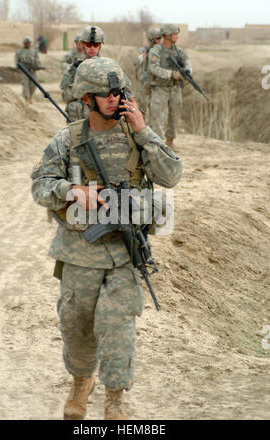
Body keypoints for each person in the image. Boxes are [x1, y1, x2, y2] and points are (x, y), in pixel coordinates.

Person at [31, 56, 182, 420]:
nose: (115, 99)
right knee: (77, 324)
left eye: (119, 92)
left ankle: (114, 400)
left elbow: (172, 175)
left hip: (123, 255)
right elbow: (40, 185)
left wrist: (145, 132)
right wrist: (72, 190)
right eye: (106, 94)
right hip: (79, 253)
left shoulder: (138, 134)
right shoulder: (68, 139)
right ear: (87, 98)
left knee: (117, 327)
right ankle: (81, 381)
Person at [148, 24, 192, 147]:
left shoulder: (178, 51)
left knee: (174, 117)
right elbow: (153, 68)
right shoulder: (157, 50)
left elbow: (187, 62)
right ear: (167, 35)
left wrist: (186, 73)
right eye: (175, 34)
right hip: (160, 89)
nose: (177, 37)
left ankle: (170, 142)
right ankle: (158, 146)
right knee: (157, 119)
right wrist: (171, 74)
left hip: (175, 89)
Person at [59, 25, 104, 122]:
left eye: (96, 45)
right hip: (78, 117)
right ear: (83, 44)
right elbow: (65, 95)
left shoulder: (109, 67)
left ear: (100, 45)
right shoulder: (74, 68)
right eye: (88, 45)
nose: (92, 48)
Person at [134, 28, 162, 115]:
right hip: (144, 84)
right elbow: (136, 62)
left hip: (157, 86)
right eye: (157, 39)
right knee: (142, 109)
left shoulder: (161, 51)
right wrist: (145, 54)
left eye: (160, 38)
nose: (159, 41)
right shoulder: (143, 50)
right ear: (151, 39)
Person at [15, 36, 43, 105]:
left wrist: (38, 66)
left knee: (34, 84)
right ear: (24, 43)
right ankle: (27, 99)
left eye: (29, 43)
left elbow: (37, 60)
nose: (28, 44)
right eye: (26, 43)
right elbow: (17, 61)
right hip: (24, 71)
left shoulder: (33, 51)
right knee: (25, 85)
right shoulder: (19, 52)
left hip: (32, 70)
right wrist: (18, 67)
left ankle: (31, 97)